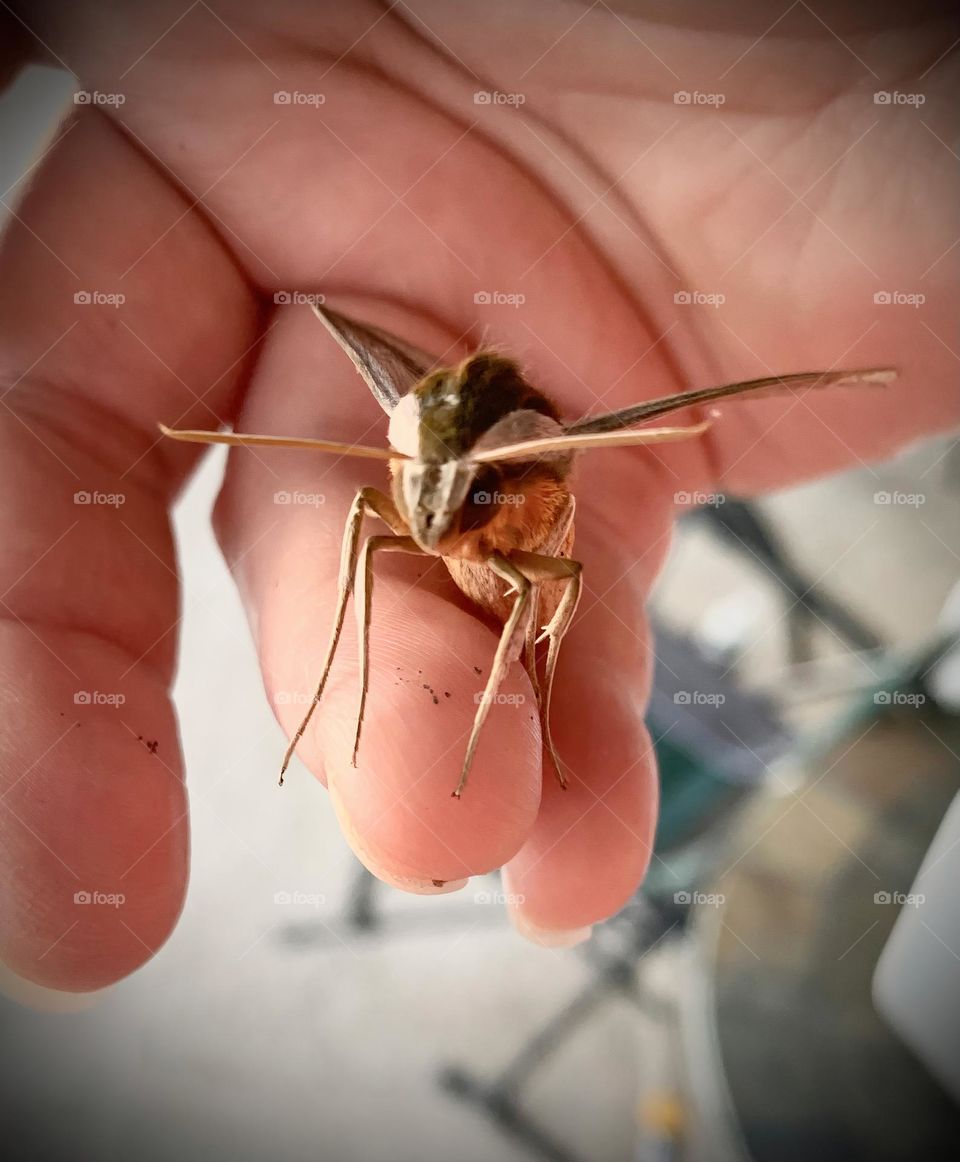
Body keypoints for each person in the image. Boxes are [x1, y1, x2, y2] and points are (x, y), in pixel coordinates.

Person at [0, 0, 957, 994]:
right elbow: (382, 483)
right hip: (467, 412)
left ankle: (521, 687)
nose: (419, 514)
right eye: (414, 482)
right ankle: (366, 670)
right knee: (368, 546)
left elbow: (561, 562)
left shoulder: (522, 495)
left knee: (536, 614)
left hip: (531, 491)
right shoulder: (405, 479)